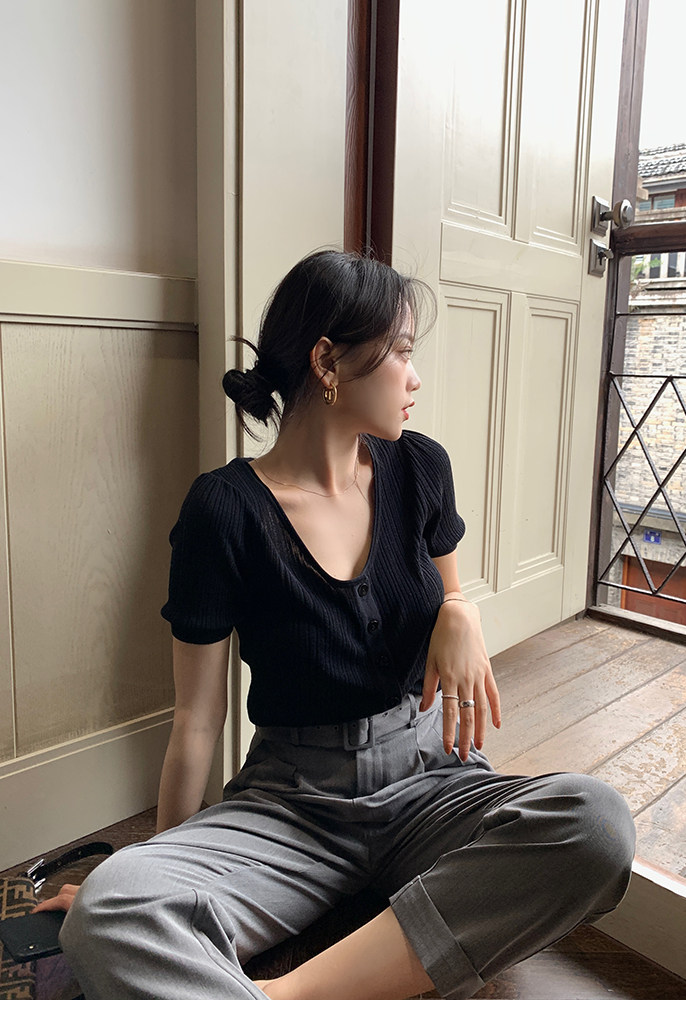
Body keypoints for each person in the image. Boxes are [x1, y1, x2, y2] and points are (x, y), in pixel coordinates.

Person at [42, 250, 635, 1000]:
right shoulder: (223, 509)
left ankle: (284, 999)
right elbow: (197, 719)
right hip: (294, 805)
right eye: (402, 353)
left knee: (597, 825)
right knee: (110, 910)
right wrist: (159, 864)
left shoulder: (421, 467)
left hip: (430, 784)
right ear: (327, 362)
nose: (415, 378)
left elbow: (451, 593)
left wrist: (460, 608)